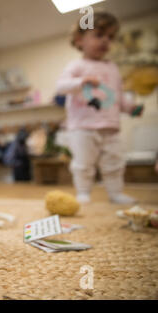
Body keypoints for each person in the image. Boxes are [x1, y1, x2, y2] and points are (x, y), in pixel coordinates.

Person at [55, 12, 141, 204]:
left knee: (115, 162)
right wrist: (81, 81)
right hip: (82, 126)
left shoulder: (113, 68)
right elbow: (60, 86)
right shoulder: (76, 65)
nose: (105, 41)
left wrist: (130, 108)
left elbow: (117, 96)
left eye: (110, 37)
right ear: (79, 40)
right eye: (99, 35)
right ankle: (83, 193)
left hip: (110, 125)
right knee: (83, 163)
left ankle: (115, 193)